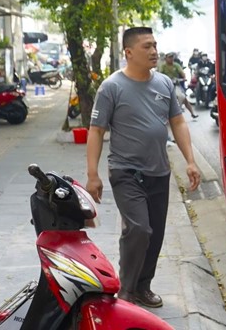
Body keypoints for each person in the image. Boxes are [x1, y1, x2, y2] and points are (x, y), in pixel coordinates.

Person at [85, 26, 202, 308]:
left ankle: (143, 286)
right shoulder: (111, 87)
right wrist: (93, 175)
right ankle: (125, 290)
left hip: (159, 172)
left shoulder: (163, 84)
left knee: (155, 233)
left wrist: (190, 161)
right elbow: (96, 130)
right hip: (126, 171)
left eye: (155, 45)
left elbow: (178, 122)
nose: (154, 51)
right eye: (147, 46)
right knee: (139, 229)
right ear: (129, 52)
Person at [159, 52, 198, 119]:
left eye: (172, 57)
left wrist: (183, 78)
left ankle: (192, 113)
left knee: (183, 97)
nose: (171, 59)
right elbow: (160, 75)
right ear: (166, 58)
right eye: (169, 57)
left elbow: (182, 74)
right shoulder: (163, 66)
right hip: (165, 85)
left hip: (175, 84)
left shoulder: (176, 65)